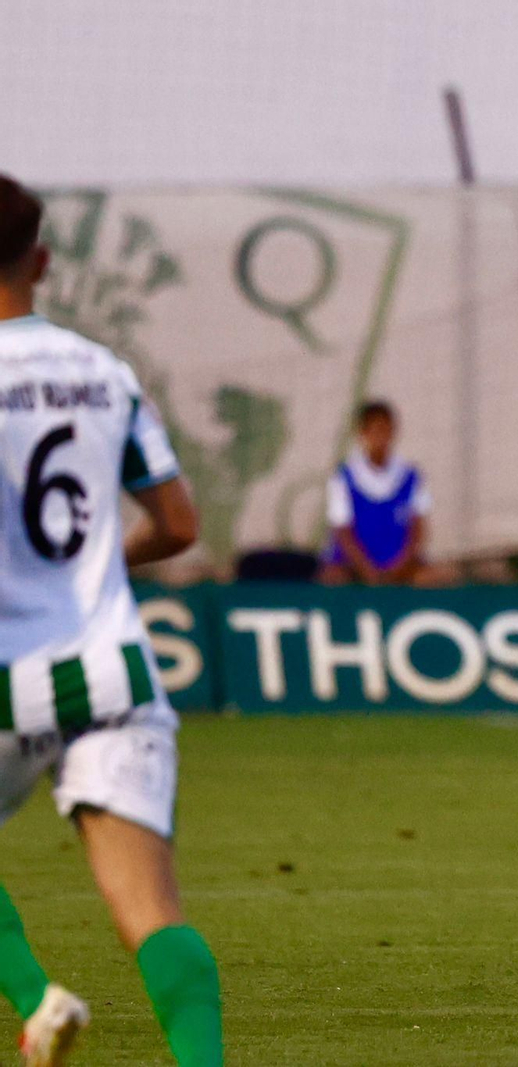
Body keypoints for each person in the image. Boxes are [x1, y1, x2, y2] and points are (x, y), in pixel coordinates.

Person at [0, 174, 223, 1065]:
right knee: (153, 916)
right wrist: (87, 565)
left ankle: (36, 995)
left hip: (10, 668)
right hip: (112, 666)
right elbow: (176, 524)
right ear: (43, 261)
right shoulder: (105, 373)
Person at [319, 401, 448, 586]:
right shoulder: (344, 477)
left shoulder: (410, 475)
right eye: (374, 431)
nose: (380, 438)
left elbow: (418, 530)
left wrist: (398, 568)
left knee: (438, 577)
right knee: (332, 578)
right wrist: (367, 571)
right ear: (362, 433)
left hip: (400, 568)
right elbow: (343, 533)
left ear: (393, 432)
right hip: (353, 567)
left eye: (385, 431)